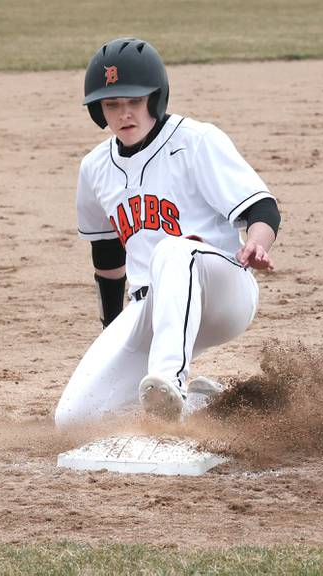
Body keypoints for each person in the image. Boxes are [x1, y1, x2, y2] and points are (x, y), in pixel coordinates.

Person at [55, 37, 280, 427]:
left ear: (156, 99)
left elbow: (261, 208)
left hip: (223, 290)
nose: (124, 114)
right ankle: (203, 402)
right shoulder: (94, 168)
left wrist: (257, 244)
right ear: (98, 110)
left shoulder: (196, 141)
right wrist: (114, 333)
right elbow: (108, 258)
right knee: (74, 420)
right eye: (112, 104)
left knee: (173, 250)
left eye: (134, 101)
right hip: (154, 308)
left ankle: (172, 380)